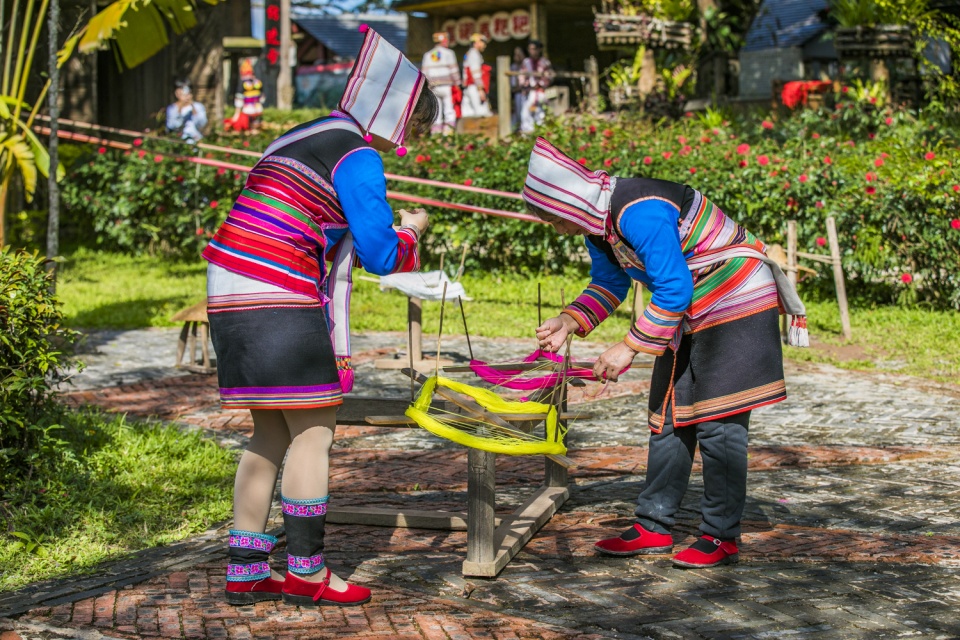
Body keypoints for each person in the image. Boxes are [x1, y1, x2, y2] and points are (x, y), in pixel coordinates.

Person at [202, 26, 439, 607]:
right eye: (414, 129)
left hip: (229, 288)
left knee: (268, 433)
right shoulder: (356, 154)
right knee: (314, 433)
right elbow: (381, 253)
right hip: (279, 291)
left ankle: (246, 569)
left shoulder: (299, 135)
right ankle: (307, 570)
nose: (407, 142)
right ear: (396, 115)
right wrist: (413, 230)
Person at [522, 138, 807, 569]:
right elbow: (610, 282)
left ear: (569, 205)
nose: (556, 229)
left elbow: (673, 286)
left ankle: (721, 535)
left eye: (553, 220)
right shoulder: (597, 224)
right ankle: (653, 525)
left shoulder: (639, 211)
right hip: (689, 305)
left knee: (719, 423)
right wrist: (569, 320)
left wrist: (628, 347)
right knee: (669, 416)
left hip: (734, 296)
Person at [421, 32, 460, 134]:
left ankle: (436, 134)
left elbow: (424, 73)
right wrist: (457, 83)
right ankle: (448, 134)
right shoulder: (449, 53)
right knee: (449, 110)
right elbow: (454, 70)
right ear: (444, 41)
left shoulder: (427, 55)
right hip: (447, 86)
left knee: (436, 111)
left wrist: (426, 86)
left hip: (433, 87)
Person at [518, 40, 553, 133]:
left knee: (541, 114)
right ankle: (527, 133)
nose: (532, 51)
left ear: (539, 49)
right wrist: (526, 84)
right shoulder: (526, 62)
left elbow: (549, 76)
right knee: (526, 113)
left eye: (534, 49)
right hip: (529, 92)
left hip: (541, 92)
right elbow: (521, 76)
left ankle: (540, 133)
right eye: (530, 49)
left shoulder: (545, 62)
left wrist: (541, 83)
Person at [461, 33, 492, 118]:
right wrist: (480, 89)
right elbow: (475, 73)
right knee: (481, 112)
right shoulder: (474, 54)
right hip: (474, 87)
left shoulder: (469, 53)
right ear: (476, 42)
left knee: (468, 114)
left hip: (468, 87)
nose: (484, 45)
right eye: (483, 42)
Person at [510, 46, 526, 132]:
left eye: (519, 54)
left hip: (525, 93)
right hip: (516, 94)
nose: (517, 57)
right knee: (516, 114)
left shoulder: (527, 65)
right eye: (515, 54)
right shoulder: (513, 67)